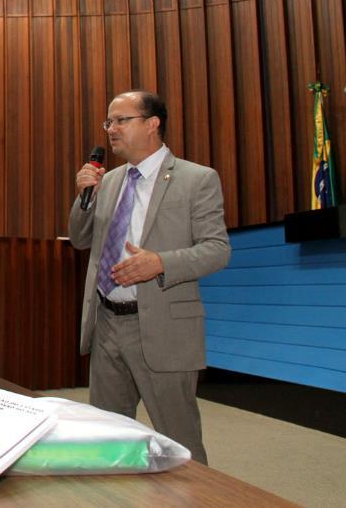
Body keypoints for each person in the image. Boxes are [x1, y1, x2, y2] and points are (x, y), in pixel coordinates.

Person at [68, 90, 231, 464]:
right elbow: (79, 239)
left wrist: (160, 263)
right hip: (107, 322)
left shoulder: (196, 179)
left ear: (152, 123)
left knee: (180, 444)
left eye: (121, 120)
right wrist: (84, 197)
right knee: (107, 438)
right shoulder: (109, 181)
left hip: (163, 326)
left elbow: (217, 250)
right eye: (109, 122)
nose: (111, 129)